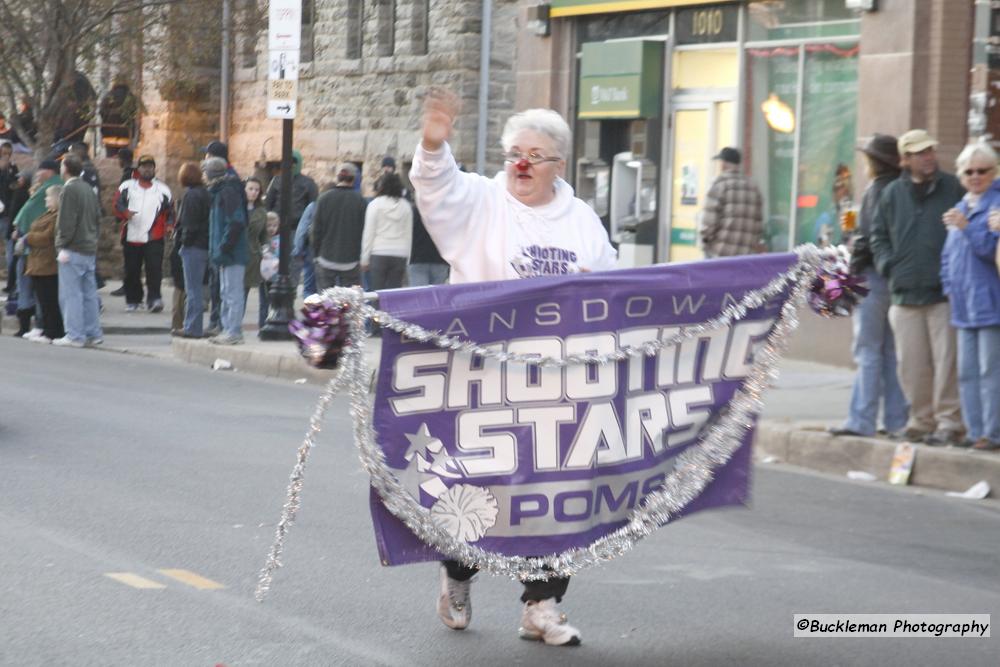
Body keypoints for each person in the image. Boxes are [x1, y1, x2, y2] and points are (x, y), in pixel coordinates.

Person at [411, 89, 617, 646]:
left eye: (535, 154)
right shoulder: (481, 201)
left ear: (558, 165)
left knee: (556, 497)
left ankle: (542, 604)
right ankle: (457, 576)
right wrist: (433, 143)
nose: (521, 163)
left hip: (557, 387)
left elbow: (610, 294)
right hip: (485, 382)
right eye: (513, 152)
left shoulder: (583, 224)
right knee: (484, 494)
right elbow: (436, 186)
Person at [871, 129, 965, 445]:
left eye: (930, 151)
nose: (928, 157)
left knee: (947, 364)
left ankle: (949, 423)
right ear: (905, 159)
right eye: (920, 153)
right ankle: (920, 420)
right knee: (911, 367)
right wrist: (889, 266)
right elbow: (878, 236)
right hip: (904, 293)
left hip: (943, 292)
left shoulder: (952, 187)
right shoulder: (891, 193)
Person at [829, 134, 909, 438]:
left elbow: (865, 239)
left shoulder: (876, 190)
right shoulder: (901, 189)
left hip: (872, 277)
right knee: (889, 351)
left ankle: (861, 419)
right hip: (894, 278)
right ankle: (896, 419)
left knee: (867, 351)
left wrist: (849, 272)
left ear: (872, 162)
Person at [940, 143, 1000, 451]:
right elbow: (948, 256)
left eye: (982, 170)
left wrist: (967, 229)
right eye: (969, 171)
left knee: (991, 371)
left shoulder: (996, 205)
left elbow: (991, 252)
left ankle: (993, 433)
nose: (975, 176)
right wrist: (948, 286)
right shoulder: (962, 206)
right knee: (966, 373)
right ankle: (974, 431)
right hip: (963, 304)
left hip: (991, 301)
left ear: (994, 171)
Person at [114, 154, 174, 312]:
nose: (147, 169)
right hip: (131, 235)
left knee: (154, 269)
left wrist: (169, 225)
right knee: (131, 269)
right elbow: (117, 204)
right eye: (144, 166)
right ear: (138, 168)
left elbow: (170, 211)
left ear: (154, 169)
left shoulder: (163, 189)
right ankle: (133, 299)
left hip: (154, 236)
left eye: (150, 166)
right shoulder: (127, 186)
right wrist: (125, 213)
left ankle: (154, 299)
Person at [54, 154, 103, 347]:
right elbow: (97, 217)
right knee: (89, 293)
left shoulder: (69, 190)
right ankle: (93, 332)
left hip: (72, 248)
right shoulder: (88, 189)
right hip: (89, 247)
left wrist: (61, 245)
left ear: (65, 169)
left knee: (70, 293)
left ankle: (74, 334)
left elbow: (66, 221)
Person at [12, 160, 63, 337]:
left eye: (41, 170)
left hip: (41, 254)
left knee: (40, 292)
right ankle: (39, 325)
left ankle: (44, 327)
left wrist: (25, 236)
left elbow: (40, 226)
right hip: (37, 253)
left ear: (49, 171)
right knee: (36, 290)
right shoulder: (43, 188)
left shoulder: (52, 188)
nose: (38, 173)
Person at [203, 157, 248, 345]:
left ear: (211, 174)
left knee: (232, 291)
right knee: (225, 291)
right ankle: (227, 327)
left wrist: (223, 247)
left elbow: (236, 222)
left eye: (205, 172)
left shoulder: (227, 192)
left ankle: (233, 330)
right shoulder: (220, 192)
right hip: (225, 252)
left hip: (231, 252)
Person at [698, 147, 764, 258]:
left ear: (723, 164)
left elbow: (709, 223)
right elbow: (758, 224)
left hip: (720, 253)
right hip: (745, 256)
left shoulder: (720, 184)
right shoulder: (753, 186)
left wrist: (705, 243)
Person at [311, 163, 367, 290]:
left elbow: (316, 230)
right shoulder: (360, 201)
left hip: (326, 257)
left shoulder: (324, 198)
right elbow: (364, 231)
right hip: (350, 260)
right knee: (349, 303)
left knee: (326, 303)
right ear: (354, 179)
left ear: (337, 178)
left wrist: (316, 254)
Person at [23, 185, 65, 342]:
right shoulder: (48, 214)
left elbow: (47, 236)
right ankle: (45, 328)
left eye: (48, 197)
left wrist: (29, 237)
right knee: (42, 299)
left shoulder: (57, 216)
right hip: (37, 261)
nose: (46, 199)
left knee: (49, 300)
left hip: (47, 262)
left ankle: (52, 331)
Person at [175, 162, 212, 338]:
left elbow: (189, 225)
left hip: (193, 247)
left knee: (193, 290)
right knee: (197, 289)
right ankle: (193, 325)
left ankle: (192, 326)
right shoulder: (206, 194)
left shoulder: (191, 196)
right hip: (205, 245)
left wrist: (184, 243)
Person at [361, 172, 412, 291]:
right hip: (400, 253)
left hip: (378, 252)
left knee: (377, 293)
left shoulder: (374, 205)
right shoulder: (406, 206)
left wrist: (365, 258)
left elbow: (369, 233)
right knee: (394, 294)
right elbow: (408, 234)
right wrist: (408, 259)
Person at [266, 149, 318, 233]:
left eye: (294, 162)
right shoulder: (277, 180)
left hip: (298, 228)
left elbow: (313, 206)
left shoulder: (309, 183)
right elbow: (268, 203)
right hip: (277, 227)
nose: (291, 165)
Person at [244, 178, 270, 328]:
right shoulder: (238, 207)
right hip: (238, 254)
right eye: (250, 189)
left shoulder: (261, 211)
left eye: (256, 190)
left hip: (254, 256)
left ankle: (263, 324)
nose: (253, 192)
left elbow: (264, 235)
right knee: (236, 294)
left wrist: (266, 249)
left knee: (260, 292)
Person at [407, 198, 449, 286]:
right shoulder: (445, 213)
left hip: (417, 259)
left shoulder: (413, 211)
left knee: (419, 296)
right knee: (437, 296)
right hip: (440, 260)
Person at [1, 141, 22, 296]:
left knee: (10, 249)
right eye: (3, 153)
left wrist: (9, 172)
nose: (6, 157)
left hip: (7, 214)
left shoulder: (13, 169)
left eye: (8, 153)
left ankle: (11, 283)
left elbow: (13, 187)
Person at [292, 199, 318, 297]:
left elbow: (302, 231)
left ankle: (312, 311)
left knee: (309, 289)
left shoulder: (313, 206)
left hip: (312, 251)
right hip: (333, 256)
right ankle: (326, 311)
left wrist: (298, 251)